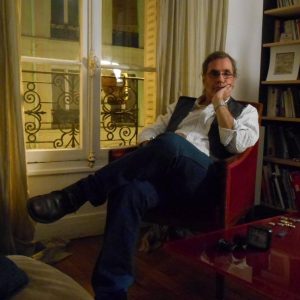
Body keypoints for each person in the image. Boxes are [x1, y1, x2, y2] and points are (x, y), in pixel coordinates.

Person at [27, 51, 259, 300]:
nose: (220, 78)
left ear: (233, 80)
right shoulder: (182, 107)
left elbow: (236, 146)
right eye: (214, 73)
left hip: (205, 182)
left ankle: (74, 196)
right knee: (128, 192)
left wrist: (220, 105)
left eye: (227, 73)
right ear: (204, 77)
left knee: (170, 143)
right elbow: (151, 130)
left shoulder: (245, 112)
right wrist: (152, 149)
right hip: (167, 180)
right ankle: (111, 291)